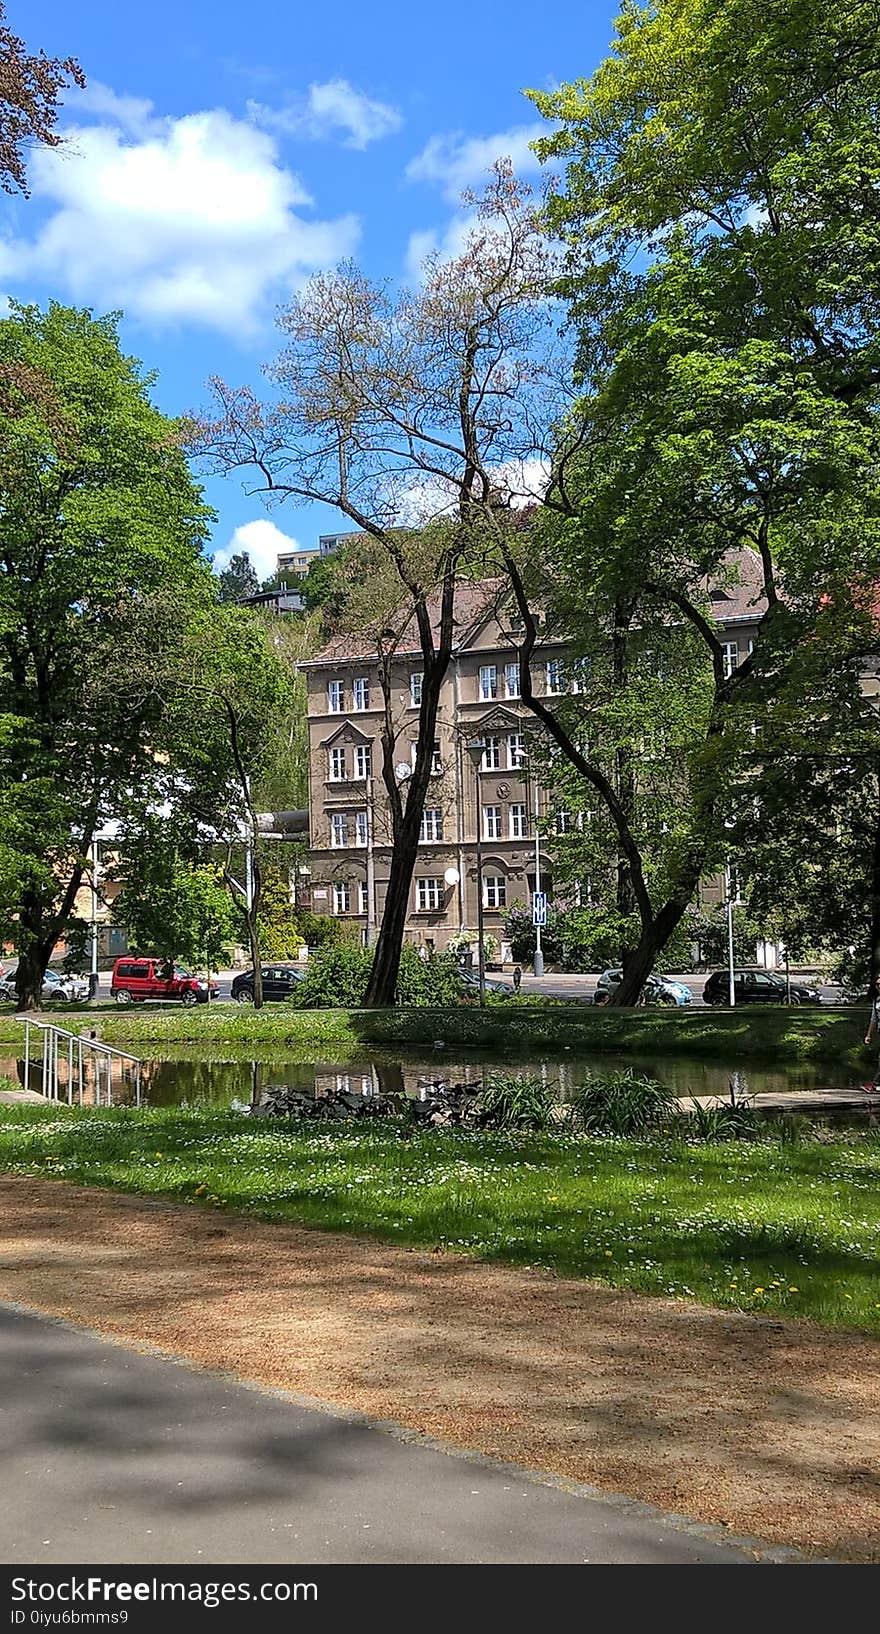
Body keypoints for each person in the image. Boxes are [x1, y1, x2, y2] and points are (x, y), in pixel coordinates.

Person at [863, 973, 880, 1089]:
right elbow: (873, 1018)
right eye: (878, 984)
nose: (879, 987)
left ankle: (876, 1083)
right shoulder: (877, 1000)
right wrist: (869, 1035)